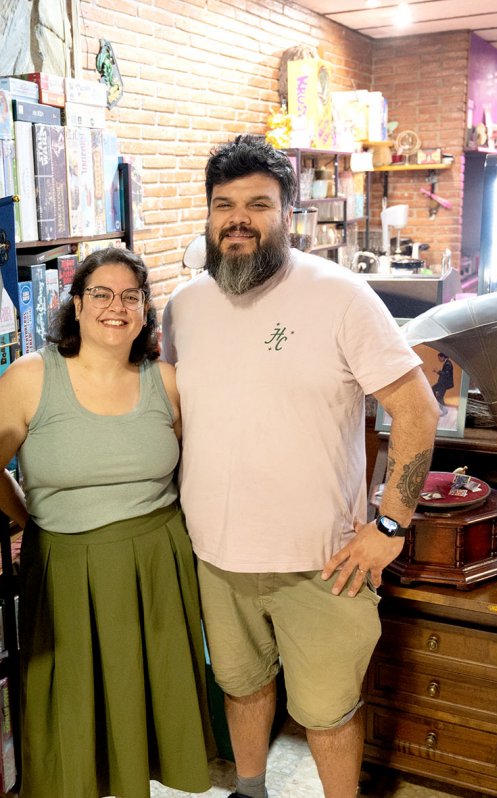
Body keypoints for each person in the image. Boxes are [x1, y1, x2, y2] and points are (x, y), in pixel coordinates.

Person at [162, 135, 440, 798]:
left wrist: (391, 526)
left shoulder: (341, 296)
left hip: (324, 561)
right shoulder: (183, 306)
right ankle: (250, 789)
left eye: (258, 203)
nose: (238, 217)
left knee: (327, 713)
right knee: (241, 684)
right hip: (218, 555)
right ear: (206, 215)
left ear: (289, 214)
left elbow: (417, 412)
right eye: (223, 204)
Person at [0, 247, 213, 798]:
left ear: (146, 310)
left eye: (131, 296)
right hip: (64, 569)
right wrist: (36, 521)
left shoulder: (167, 382)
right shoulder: (28, 379)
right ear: (76, 305)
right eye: (101, 293)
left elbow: (191, 469)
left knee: (144, 705)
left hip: (155, 566)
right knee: (72, 711)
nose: (116, 306)